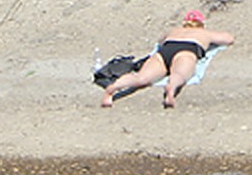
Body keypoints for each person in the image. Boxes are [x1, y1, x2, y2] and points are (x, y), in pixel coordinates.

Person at [100, 10, 234, 109]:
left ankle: (114, 87)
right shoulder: (204, 33)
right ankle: (171, 89)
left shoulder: (173, 30)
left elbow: (161, 40)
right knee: (179, 74)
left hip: (167, 49)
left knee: (141, 78)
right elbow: (228, 39)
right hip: (188, 49)